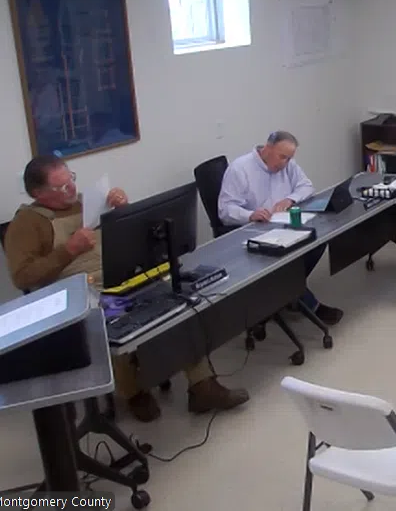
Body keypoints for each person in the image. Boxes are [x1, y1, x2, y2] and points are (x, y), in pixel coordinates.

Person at [5, 156, 250, 422]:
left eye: (71, 179)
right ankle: (133, 393)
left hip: (121, 277)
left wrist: (124, 212)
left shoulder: (89, 204)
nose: (72, 189)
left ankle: (202, 385)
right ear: (38, 193)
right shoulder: (27, 224)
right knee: (116, 320)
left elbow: (131, 241)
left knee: (179, 302)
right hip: (81, 292)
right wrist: (68, 250)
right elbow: (23, 277)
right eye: (61, 187)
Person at [217, 131, 343, 325]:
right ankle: (308, 303)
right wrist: (250, 215)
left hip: (283, 224)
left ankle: (286, 293)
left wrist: (289, 199)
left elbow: (306, 186)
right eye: (282, 157)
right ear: (267, 148)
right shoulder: (240, 169)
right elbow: (225, 210)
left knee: (317, 242)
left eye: (289, 158)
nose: (285, 163)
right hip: (255, 230)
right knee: (287, 261)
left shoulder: (288, 165)